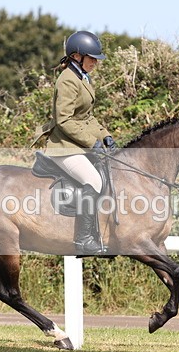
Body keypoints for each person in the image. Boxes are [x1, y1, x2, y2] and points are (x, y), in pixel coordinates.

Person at [33, 31, 117, 255]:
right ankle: (84, 239)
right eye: (92, 58)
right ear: (76, 56)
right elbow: (64, 120)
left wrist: (105, 135)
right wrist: (92, 143)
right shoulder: (68, 80)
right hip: (64, 147)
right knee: (93, 180)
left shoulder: (82, 78)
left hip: (77, 143)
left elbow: (87, 117)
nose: (95, 63)